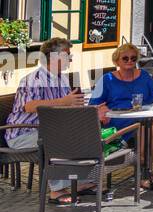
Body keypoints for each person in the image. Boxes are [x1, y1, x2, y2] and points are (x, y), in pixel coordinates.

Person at [6, 38, 110, 203]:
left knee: (85, 134)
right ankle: (57, 190)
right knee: (59, 138)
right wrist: (63, 102)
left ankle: (83, 182)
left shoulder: (61, 78)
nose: (70, 58)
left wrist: (91, 111)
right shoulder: (33, 79)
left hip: (48, 129)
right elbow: (30, 106)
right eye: (68, 54)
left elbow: (67, 109)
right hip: (23, 133)